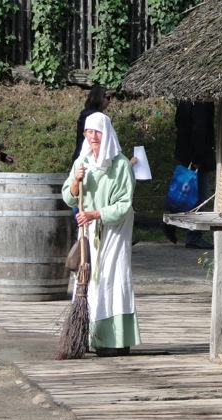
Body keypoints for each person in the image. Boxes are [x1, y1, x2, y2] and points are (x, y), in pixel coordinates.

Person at [62, 112, 141, 357]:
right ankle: (88, 335)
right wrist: (76, 182)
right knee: (89, 280)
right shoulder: (82, 162)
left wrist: (96, 214)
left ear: (106, 134)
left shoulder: (119, 165)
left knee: (112, 276)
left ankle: (115, 340)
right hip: (88, 229)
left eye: (97, 131)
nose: (93, 136)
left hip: (114, 228)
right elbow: (68, 196)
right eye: (89, 131)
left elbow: (123, 204)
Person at [164, 101, 215, 249]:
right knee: (198, 196)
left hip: (185, 150)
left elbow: (178, 121)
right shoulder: (201, 103)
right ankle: (194, 235)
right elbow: (200, 128)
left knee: (183, 191)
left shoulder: (185, 100)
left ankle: (171, 220)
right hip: (196, 154)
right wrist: (198, 157)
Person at [72, 85, 112, 164]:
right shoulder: (94, 117)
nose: (109, 101)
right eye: (108, 98)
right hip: (89, 157)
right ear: (100, 98)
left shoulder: (86, 114)